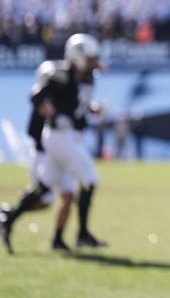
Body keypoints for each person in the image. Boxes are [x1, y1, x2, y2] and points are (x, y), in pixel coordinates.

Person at [1, 34, 107, 254]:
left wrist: (92, 110)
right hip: (59, 137)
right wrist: (54, 113)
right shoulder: (61, 74)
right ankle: (82, 235)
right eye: (88, 58)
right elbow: (37, 97)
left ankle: (9, 220)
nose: (91, 62)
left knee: (48, 189)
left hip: (63, 137)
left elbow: (76, 106)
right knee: (89, 179)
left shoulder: (84, 77)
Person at [0, 61, 75, 253]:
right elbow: (33, 130)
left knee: (67, 195)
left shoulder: (57, 100)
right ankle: (9, 216)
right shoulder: (40, 100)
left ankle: (57, 239)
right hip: (43, 155)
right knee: (44, 201)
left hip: (56, 154)